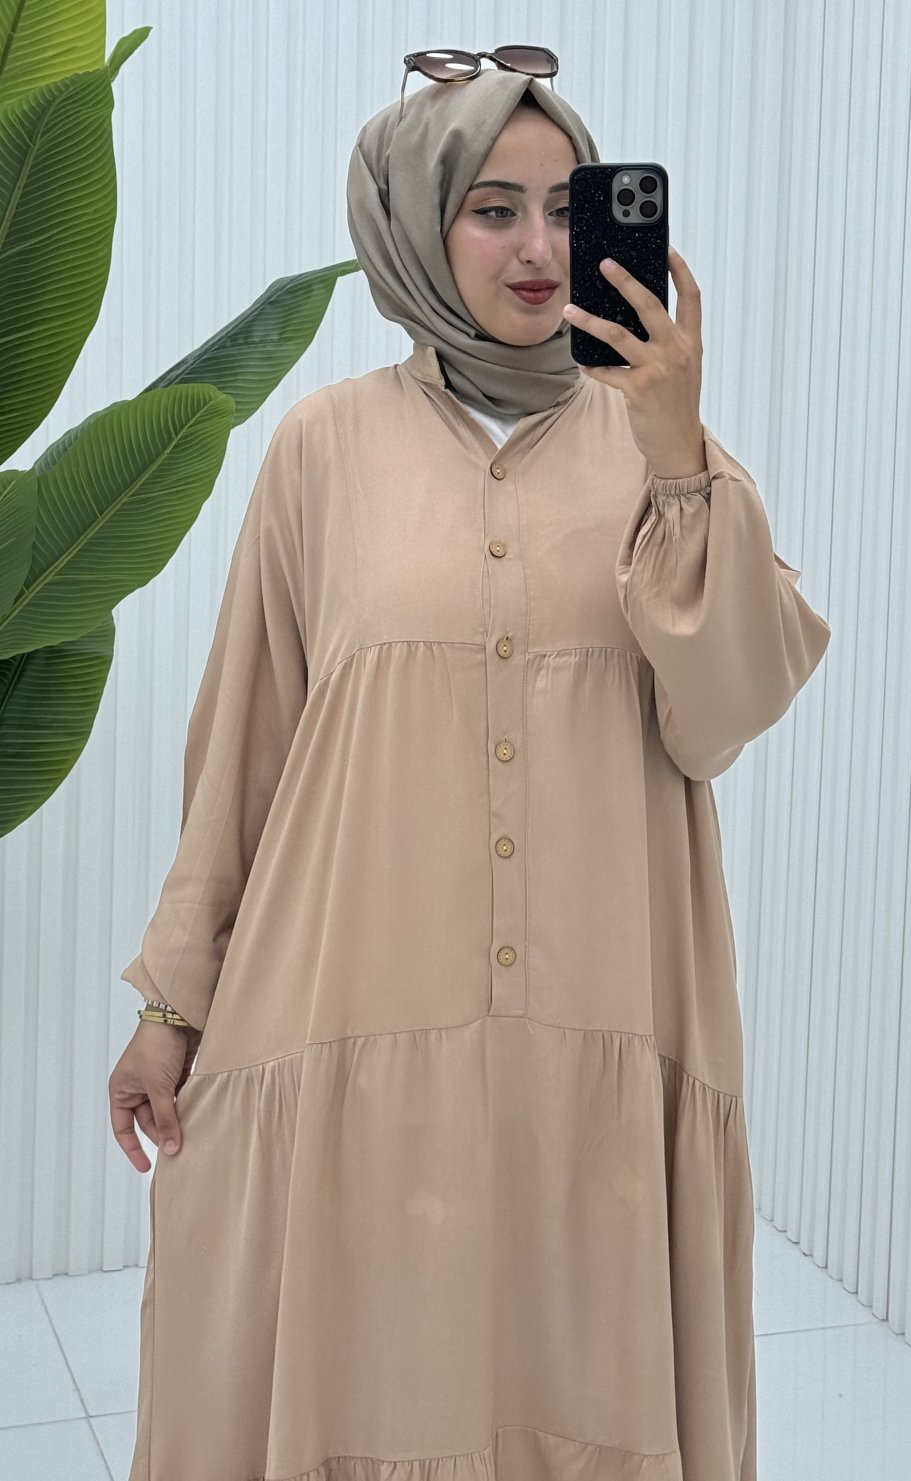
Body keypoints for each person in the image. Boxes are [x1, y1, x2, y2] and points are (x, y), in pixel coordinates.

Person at [109, 63, 831, 1481]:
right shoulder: (322, 450)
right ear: (419, 224)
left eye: (567, 207)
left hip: (601, 1012)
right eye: (494, 209)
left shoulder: (666, 455)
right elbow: (246, 745)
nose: (541, 247)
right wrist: (171, 1005)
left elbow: (724, 716)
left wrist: (678, 456)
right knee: (370, 1363)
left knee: (575, 1363)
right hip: (351, 1009)